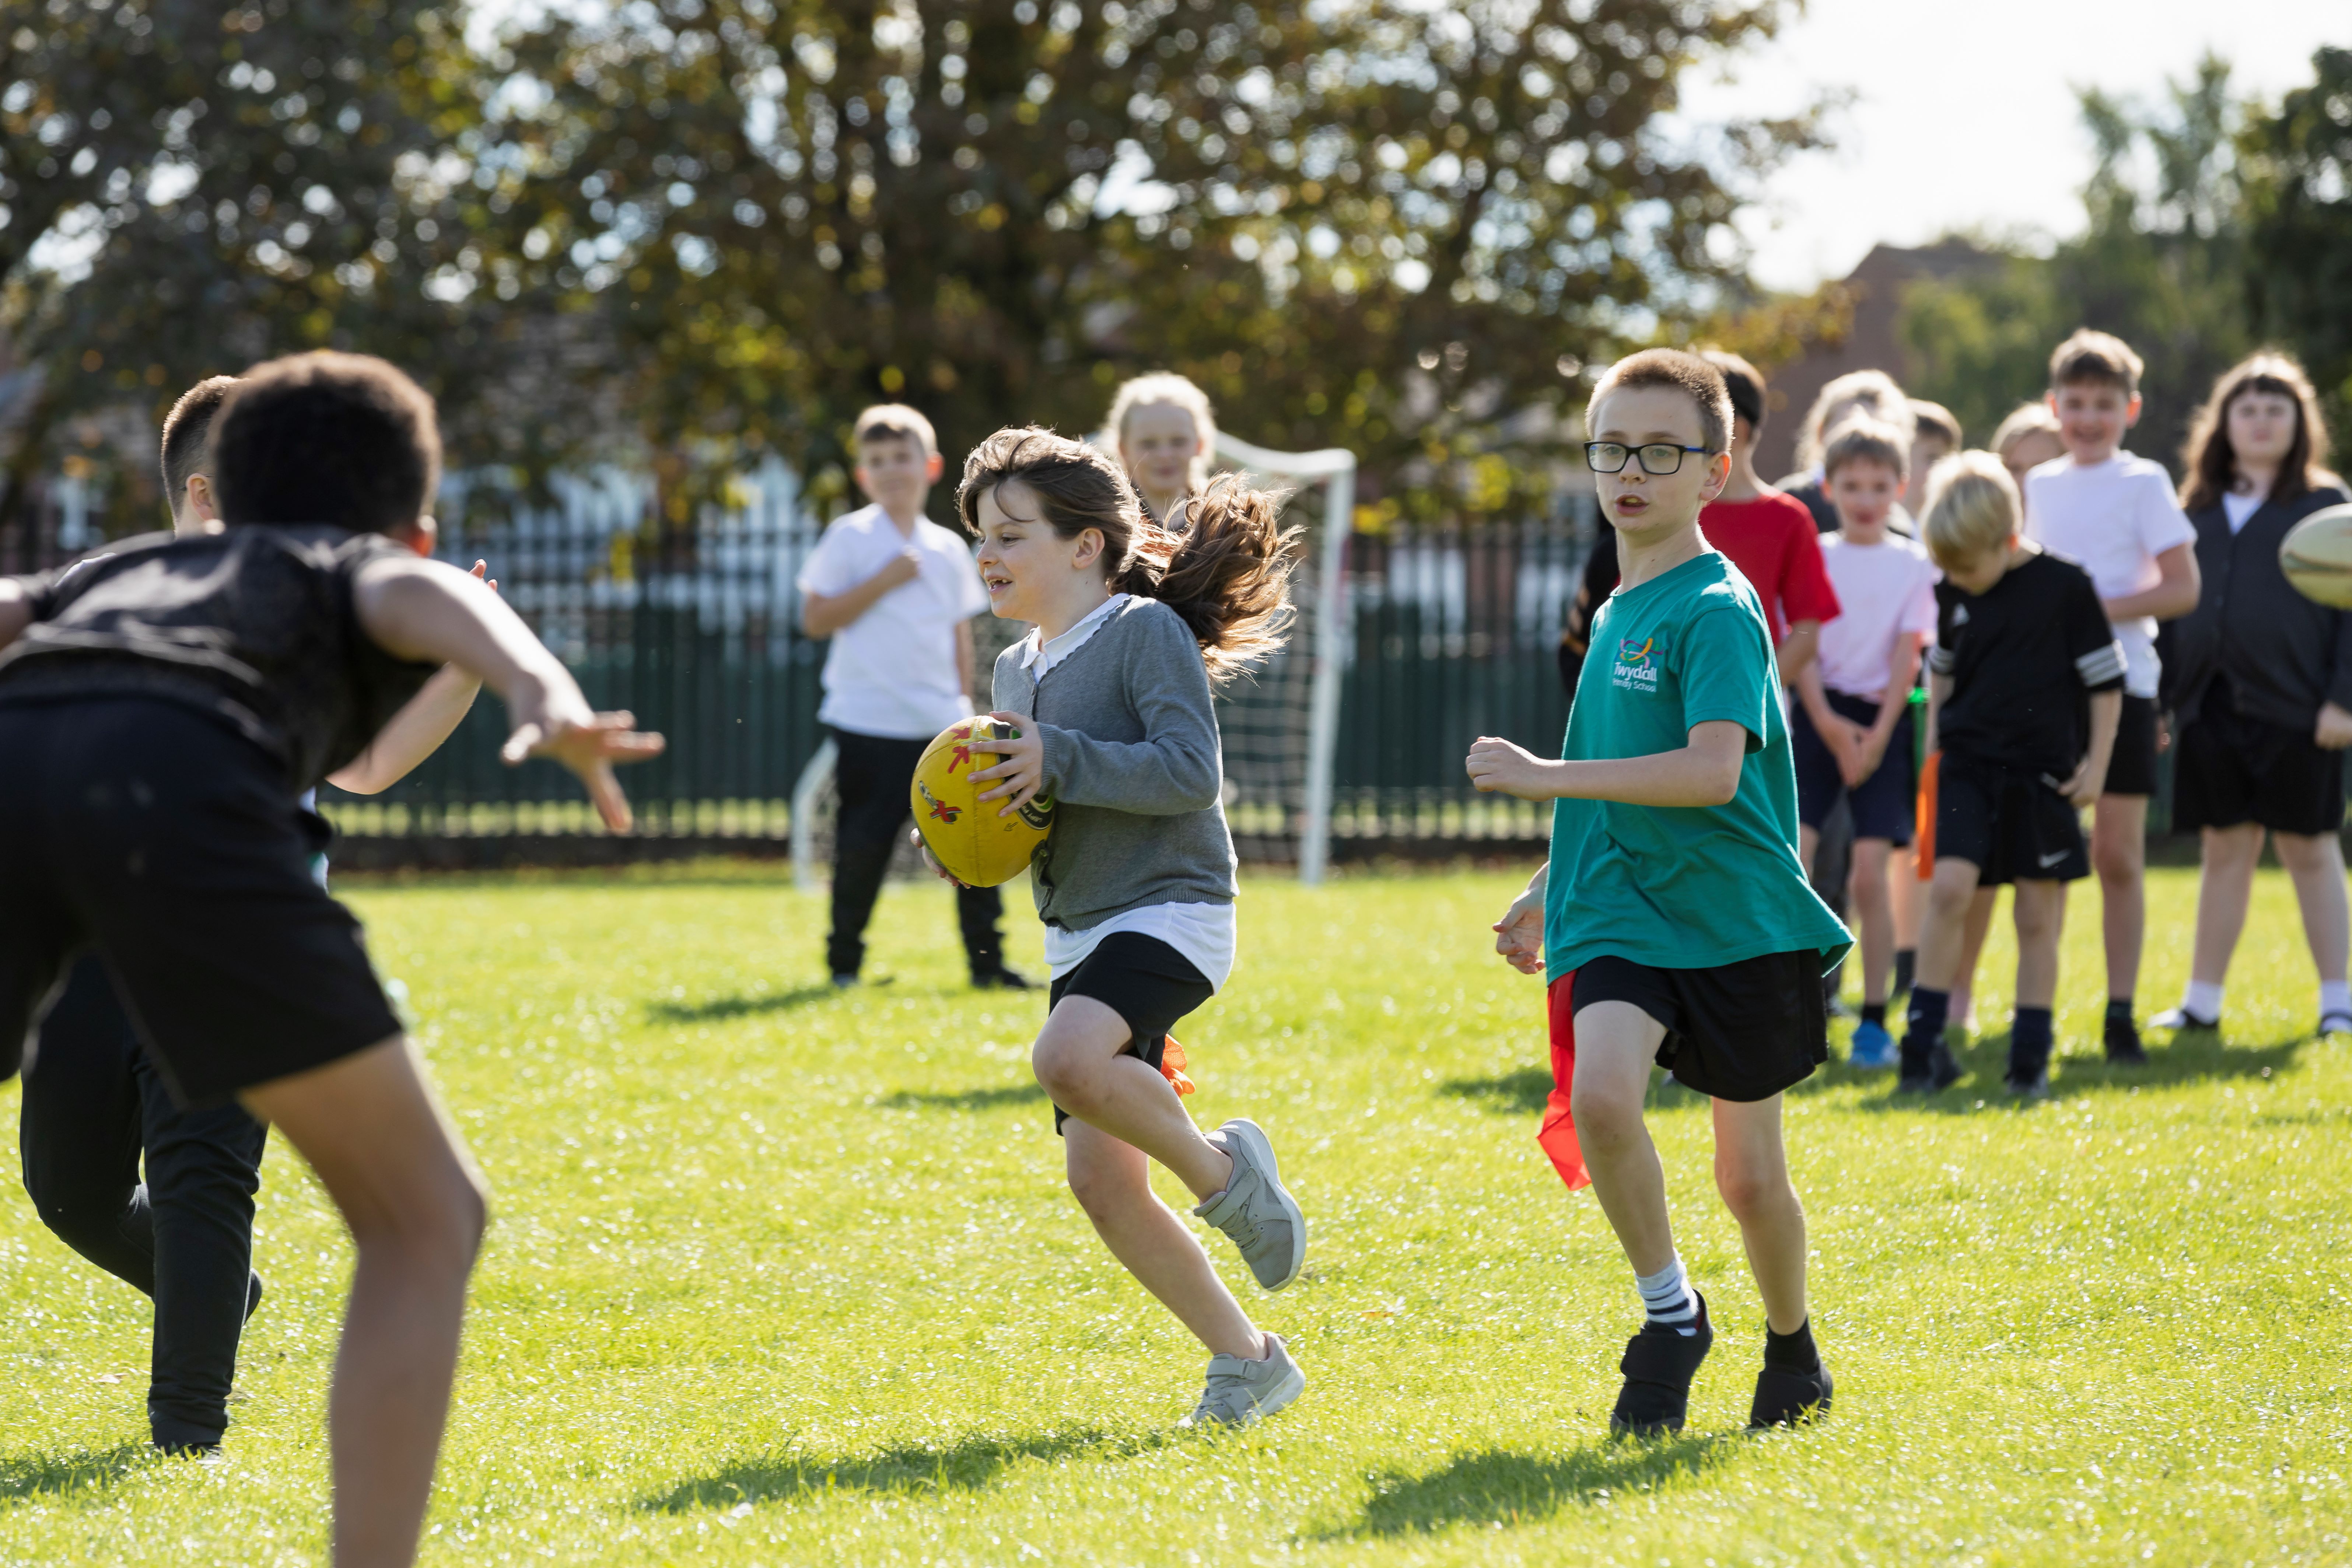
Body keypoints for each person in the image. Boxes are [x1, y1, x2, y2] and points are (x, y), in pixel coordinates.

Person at [0, 350, 662, 1567]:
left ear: (221, 489)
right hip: (189, 826)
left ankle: (188, 1417)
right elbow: (452, 605)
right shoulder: (347, 564)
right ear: (406, 528)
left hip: (29, 793)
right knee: (426, 1218)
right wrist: (543, 691)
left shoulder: (126, 566)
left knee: (198, 1166)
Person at [16, 374, 493, 1455]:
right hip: (87, 942)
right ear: (207, 490)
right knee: (68, 1187)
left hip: (237, 940)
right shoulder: (101, 589)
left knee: (203, 1174)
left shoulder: (299, 614)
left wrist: (463, 670)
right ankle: (220, 1291)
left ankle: (187, 1432)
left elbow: (363, 766)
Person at [1475, 349, 1847, 1437]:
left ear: (1714, 472)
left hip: (1735, 920)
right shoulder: (1615, 606)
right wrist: (1548, 882)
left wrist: (1543, 777)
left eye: (1659, 452)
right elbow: (1616, 772)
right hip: (1624, 907)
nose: (1630, 471)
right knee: (1603, 1099)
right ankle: (1671, 1313)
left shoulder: (1720, 607)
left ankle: (1792, 1344)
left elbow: (1710, 773)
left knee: (1749, 1180)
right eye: (1612, 449)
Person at [952, 427, 1309, 1429]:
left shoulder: (1142, 633)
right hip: (1081, 931)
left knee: (1064, 1059)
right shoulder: (1014, 669)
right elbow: (1038, 806)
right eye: (981, 537)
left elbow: (1190, 774)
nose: (989, 554)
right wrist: (972, 840)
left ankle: (1226, 1175)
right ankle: (1248, 1363)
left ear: (1085, 545)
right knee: (1104, 1187)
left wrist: (1057, 758)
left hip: (1172, 908)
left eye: (1012, 534)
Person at [1897, 453, 2124, 1097]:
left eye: (1967, 568)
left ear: (2006, 538)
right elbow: (1941, 670)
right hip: (1966, 768)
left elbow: (2106, 684)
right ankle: (1921, 1050)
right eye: (1948, 570)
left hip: (2042, 774)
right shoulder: (1952, 585)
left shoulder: (2066, 587)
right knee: (1948, 892)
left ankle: (2028, 1061)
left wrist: (2096, 767)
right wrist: (1933, 753)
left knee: (2035, 914)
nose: (1958, 581)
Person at [2155, 352, 2352, 1038]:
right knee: (2223, 850)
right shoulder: (2193, 510)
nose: (2261, 421)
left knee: (2310, 848)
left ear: (2300, 422)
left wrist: (2344, 699)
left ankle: (2338, 1002)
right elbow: (2169, 615)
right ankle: (2201, 1003)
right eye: (2247, 410)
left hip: (2303, 710)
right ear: (2223, 422)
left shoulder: (2328, 507)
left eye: (2276, 409)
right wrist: (2162, 702)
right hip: (2209, 707)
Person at [797, 404, 1027, 990]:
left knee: (972, 840)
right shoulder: (849, 537)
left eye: (902, 457)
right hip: (867, 724)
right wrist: (883, 581)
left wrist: (965, 707)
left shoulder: (949, 548)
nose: (891, 469)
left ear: (930, 467)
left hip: (940, 726)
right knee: (862, 847)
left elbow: (958, 635)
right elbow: (815, 619)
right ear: (862, 474)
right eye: (877, 460)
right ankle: (844, 966)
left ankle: (988, 965)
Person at [2022, 330, 2201, 1062]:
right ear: (2053, 406)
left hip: (2127, 686)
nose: (2088, 418)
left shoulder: (2144, 481)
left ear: (2129, 408)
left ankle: (2119, 1013)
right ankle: (2035, 1016)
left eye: (2104, 404)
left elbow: (2182, 588)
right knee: (2048, 858)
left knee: (2117, 855)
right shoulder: (2037, 486)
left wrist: (2092, 609)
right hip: (2047, 694)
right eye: (2075, 403)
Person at [1791, 421, 1937, 1069]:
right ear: (1829, 488)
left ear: (1900, 488)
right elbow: (1802, 643)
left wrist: (1876, 738)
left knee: (1868, 876)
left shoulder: (1913, 563)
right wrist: (1825, 721)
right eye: (1851, 486)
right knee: (1792, 863)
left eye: (1879, 486)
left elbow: (1909, 654)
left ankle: (1874, 1024)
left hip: (1884, 721)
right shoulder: (1813, 554)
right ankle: (1788, 1013)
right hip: (1817, 715)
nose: (1865, 499)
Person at [1777, 370, 1919, 535]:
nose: (1864, 446)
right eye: (1849, 432)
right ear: (1822, 432)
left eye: (1879, 434)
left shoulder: (1899, 527)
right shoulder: (1790, 502)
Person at [1101, 372, 1218, 527]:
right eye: (1149, 444)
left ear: (1200, 445)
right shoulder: (1104, 522)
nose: (1165, 455)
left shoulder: (1220, 522)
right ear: (1123, 449)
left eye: (1178, 442)